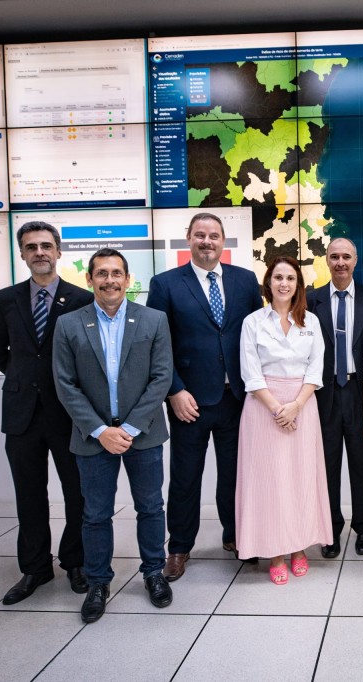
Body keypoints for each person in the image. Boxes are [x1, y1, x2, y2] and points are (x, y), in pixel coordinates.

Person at [52, 248, 174, 623]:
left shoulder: (153, 319)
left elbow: (161, 377)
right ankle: (98, 583)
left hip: (144, 434)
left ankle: (153, 573)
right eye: (102, 273)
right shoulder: (69, 324)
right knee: (95, 514)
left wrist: (130, 427)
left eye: (116, 273)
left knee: (150, 507)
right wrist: (101, 430)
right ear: (90, 279)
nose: (110, 280)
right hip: (93, 437)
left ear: (128, 279)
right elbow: (65, 384)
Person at [146, 212, 263, 580]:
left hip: (237, 398)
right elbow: (156, 344)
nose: (207, 241)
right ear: (189, 239)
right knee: (185, 478)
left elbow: (259, 335)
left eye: (213, 235)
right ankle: (179, 547)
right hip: (189, 401)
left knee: (234, 474)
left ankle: (236, 535)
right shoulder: (166, 284)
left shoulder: (245, 281)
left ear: (223, 241)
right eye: (200, 235)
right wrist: (174, 390)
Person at [0, 221, 94, 605]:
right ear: (22, 254)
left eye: (46, 246)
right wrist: (24, 380)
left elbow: (88, 358)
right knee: (29, 494)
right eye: (31, 247)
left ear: (59, 251)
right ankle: (35, 568)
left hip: (68, 414)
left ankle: (75, 562)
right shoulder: (5, 300)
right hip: (22, 414)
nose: (39, 252)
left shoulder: (82, 299)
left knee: (77, 493)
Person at [236, 256, 331, 585]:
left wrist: (296, 406)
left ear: (298, 285)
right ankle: (275, 552)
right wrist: (279, 409)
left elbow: (315, 369)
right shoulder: (253, 322)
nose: (284, 283)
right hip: (264, 409)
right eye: (278, 277)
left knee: (300, 480)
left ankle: (299, 547)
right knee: (270, 482)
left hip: (303, 407)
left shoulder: (311, 322)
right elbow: (250, 373)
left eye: (290, 278)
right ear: (268, 283)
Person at [307, 238, 363, 559]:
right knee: (326, 465)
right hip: (322, 394)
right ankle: (330, 529)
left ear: (355, 260)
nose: (340, 262)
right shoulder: (310, 301)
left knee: (362, 462)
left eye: (346, 257)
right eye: (334, 257)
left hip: (360, 391)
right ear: (326, 260)